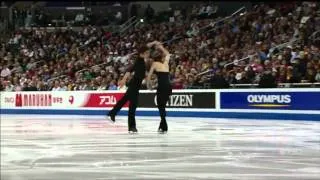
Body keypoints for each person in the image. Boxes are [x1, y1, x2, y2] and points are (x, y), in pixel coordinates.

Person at [107, 46, 150, 134]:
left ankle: (112, 113)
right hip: (134, 85)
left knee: (124, 100)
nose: (148, 54)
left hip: (135, 86)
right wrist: (123, 80)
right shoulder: (139, 61)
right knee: (132, 106)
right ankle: (131, 127)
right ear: (142, 53)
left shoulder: (142, 61)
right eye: (147, 53)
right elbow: (129, 70)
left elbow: (141, 73)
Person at [146, 41, 172, 133]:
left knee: (161, 106)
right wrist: (161, 47)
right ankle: (162, 125)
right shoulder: (166, 63)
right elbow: (168, 54)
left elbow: (149, 76)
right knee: (162, 106)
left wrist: (149, 85)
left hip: (162, 86)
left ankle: (164, 125)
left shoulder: (155, 64)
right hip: (168, 86)